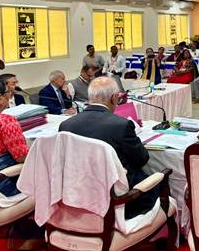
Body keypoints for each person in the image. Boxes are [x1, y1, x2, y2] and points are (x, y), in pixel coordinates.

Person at [59, 77, 157, 219]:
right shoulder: (121, 125)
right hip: (119, 200)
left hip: (79, 194)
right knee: (159, 179)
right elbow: (141, 159)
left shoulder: (66, 125)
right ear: (114, 98)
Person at [0, 78, 29, 196]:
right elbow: (21, 157)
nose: (10, 95)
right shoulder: (6, 121)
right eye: (8, 92)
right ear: (0, 98)